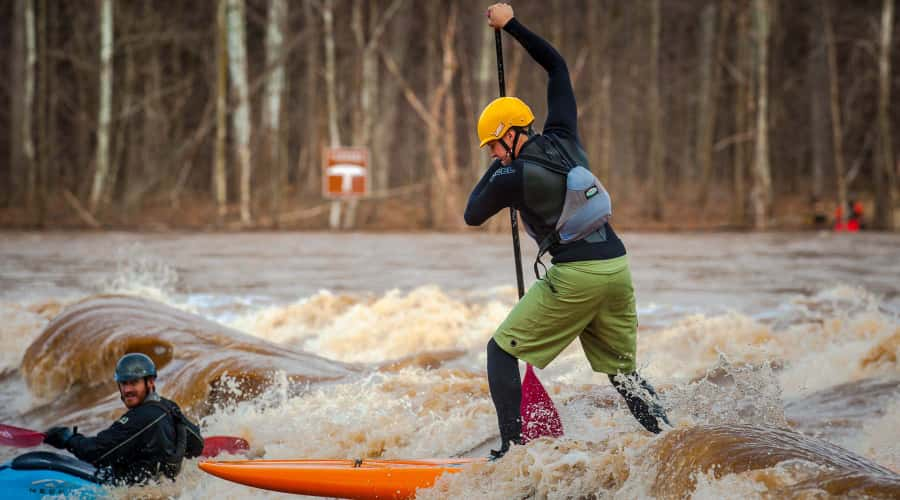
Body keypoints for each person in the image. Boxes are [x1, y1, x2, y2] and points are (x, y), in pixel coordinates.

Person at [466, 3, 670, 459]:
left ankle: (511, 453)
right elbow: (555, 66)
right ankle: (673, 439)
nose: (494, 154)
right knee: (622, 373)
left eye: (495, 145)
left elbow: (472, 214)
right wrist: (511, 25)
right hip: (617, 269)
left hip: (576, 277)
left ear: (510, 135)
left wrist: (500, 170)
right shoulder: (564, 135)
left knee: (500, 351)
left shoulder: (512, 174)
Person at [43, 353, 204, 485]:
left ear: (150, 382)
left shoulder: (142, 418)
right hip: (165, 487)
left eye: (134, 383)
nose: (127, 390)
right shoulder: (168, 407)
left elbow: (97, 453)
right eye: (123, 383)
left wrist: (68, 439)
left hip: (136, 490)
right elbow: (197, 445)